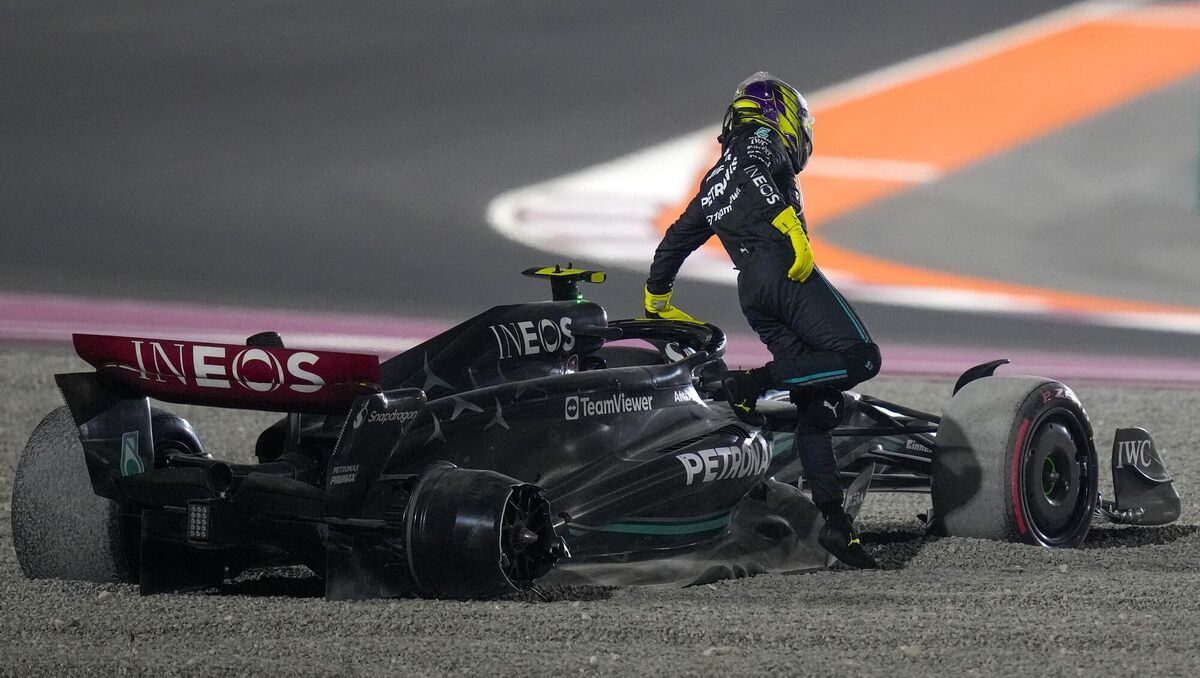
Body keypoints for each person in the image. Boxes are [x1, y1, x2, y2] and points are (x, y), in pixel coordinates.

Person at [642, 71, 880, 569]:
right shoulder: (759, 138)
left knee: (818, 407)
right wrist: (790, 227)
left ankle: (837, 526)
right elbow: (755, 169)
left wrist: (657, 297)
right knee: (860, 357)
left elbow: (674, 240)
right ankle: (754, 383)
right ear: (779, 113)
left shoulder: (711, 181)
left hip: (753, 290)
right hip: (783, 272)